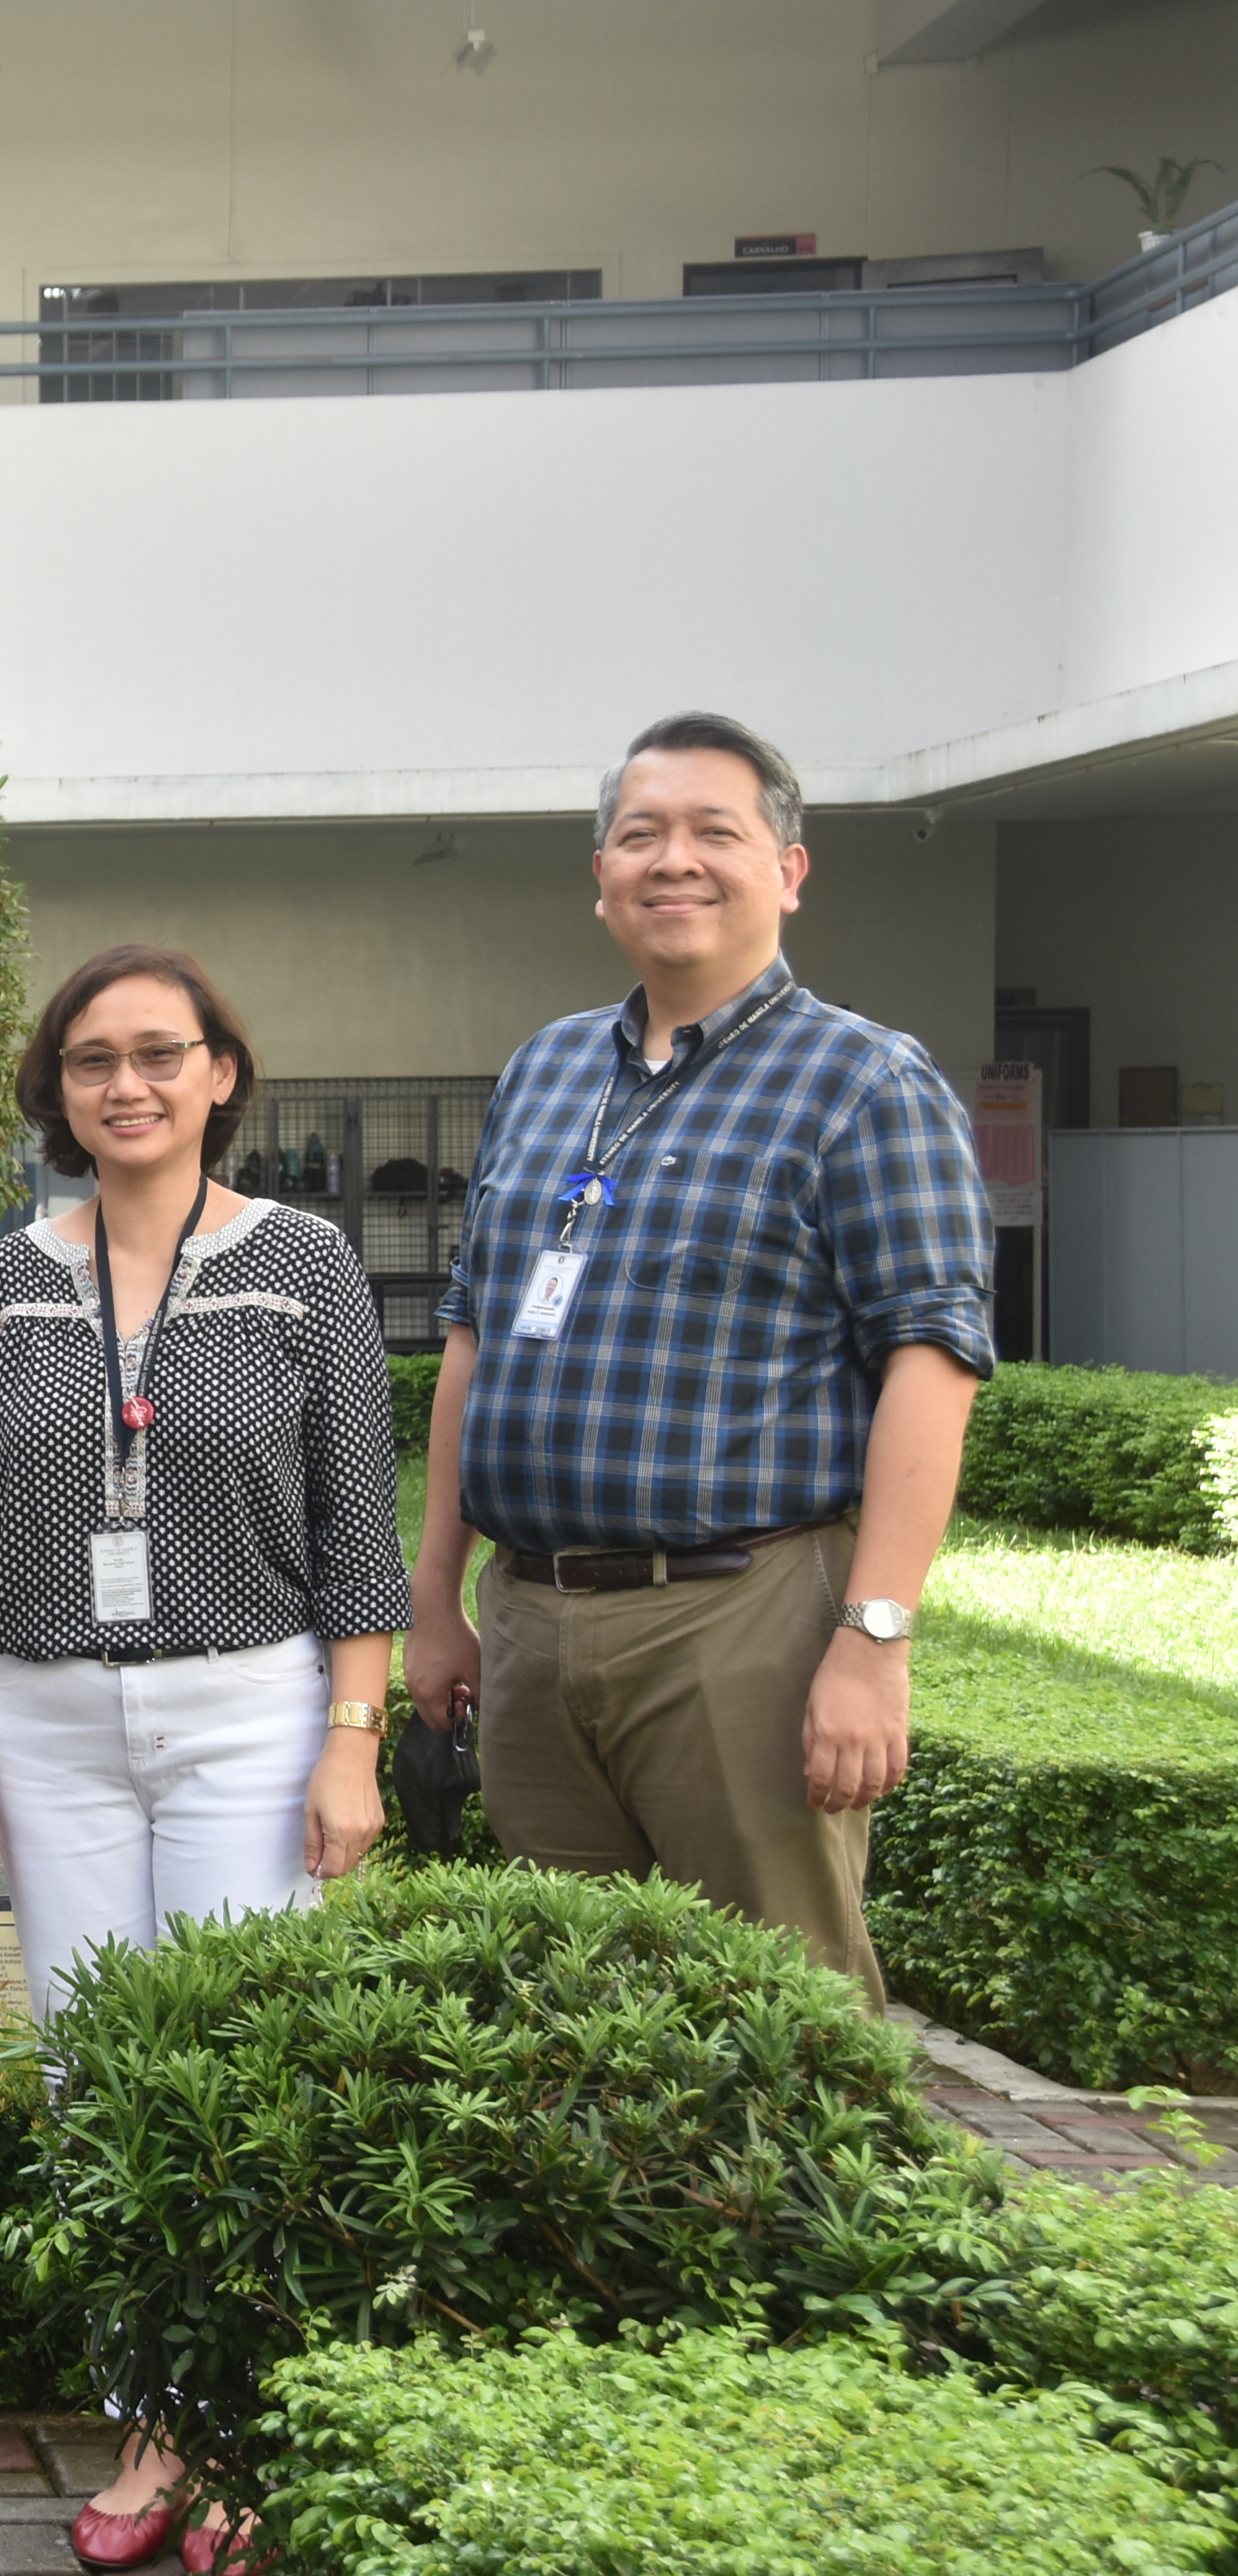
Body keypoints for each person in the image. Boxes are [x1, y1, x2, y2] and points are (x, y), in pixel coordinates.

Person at [0, 943, 405, 2574]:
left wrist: (352, 1743)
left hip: (249, 1713)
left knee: (239, 2079)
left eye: (158, 1054)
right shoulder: (11, 1278)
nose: (126, 1084)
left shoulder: (305, 1264)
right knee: (92, 2083)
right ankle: (150, 2420)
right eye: (91, 1060)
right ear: (55, 1090)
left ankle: (240, 2434)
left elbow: (360, 1537)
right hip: (49, 1722)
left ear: (220, 1075)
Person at [407, 711, 992, 2000]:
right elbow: (473, 1335)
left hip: (740, 1622)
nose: (675, 860)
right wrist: (437, 1597)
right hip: (532, 1625)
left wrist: (873, 1639)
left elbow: (931, 1365)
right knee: (578, 2024)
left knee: (784, 2018)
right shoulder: (546, 1069)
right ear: (600, 877)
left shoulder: (866, 1084)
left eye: (714, 832)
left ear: (788, 869)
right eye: (641, 834)